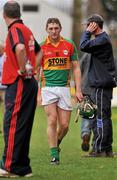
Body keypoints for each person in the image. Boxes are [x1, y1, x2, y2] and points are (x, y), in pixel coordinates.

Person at [0, 1, 42, 177]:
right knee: (23, 125)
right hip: (28, 83)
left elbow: (20, 48)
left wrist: (23, 69)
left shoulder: (14, 30)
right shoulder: (27, 30)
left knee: (12, 125)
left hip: (18, 82)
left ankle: (9, 166)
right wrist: (32, 69)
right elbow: (41, 52)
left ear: (4, 16)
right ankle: (22, 167)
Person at [40, 18, 83, 164]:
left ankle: (56, 143)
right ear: (47, 29)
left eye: (56, 28)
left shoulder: (69, 44)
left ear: (60, 29)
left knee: (64, 126)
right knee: (52, 120)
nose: (53, 31)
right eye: (51, 28)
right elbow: (35, 70)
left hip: (65, 88)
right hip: (48, 88)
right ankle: (54, 156)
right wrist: (36, 91)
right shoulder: (41, 47)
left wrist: (78, 90)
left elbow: (76, 68)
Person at [80, 14, 116, 157]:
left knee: (100, 117)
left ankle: (99, 149)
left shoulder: (101, 40)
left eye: (88, 25)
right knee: (104, 117)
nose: (86, 28)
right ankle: (106, 149)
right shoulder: (102, 40)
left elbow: (83, 45)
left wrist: (88, 32)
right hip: (101, 84)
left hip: (101, 85)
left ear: (94, 25)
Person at [79, 53, 92, 152]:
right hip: (99, 87)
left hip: (86, 87)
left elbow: (79, 68)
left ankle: (85, 134)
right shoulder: (105, 52)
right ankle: (97, 138)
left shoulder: (87, 54)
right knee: (99, 115)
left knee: (86, 114)